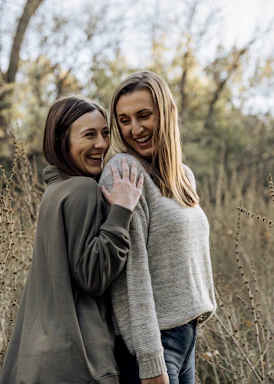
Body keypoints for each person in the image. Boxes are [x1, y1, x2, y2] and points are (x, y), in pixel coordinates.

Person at [0, 95, 144, 384]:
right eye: (89, 135)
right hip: (76, 362)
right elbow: (91, 276)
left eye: (105, 133)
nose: (101, 144)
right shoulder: (82, 189)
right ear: (61, 141)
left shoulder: (54, 192)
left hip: (38, 358)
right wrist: (122, 211)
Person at [99, 71, 217, 384]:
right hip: (152, 346)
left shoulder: (183, 176)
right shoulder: (124, 171)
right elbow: (128, 278)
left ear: (166, 114)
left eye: (144, 116)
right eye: (124, 120)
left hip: (185, 336)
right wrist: (151, 362)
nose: (134, 129)